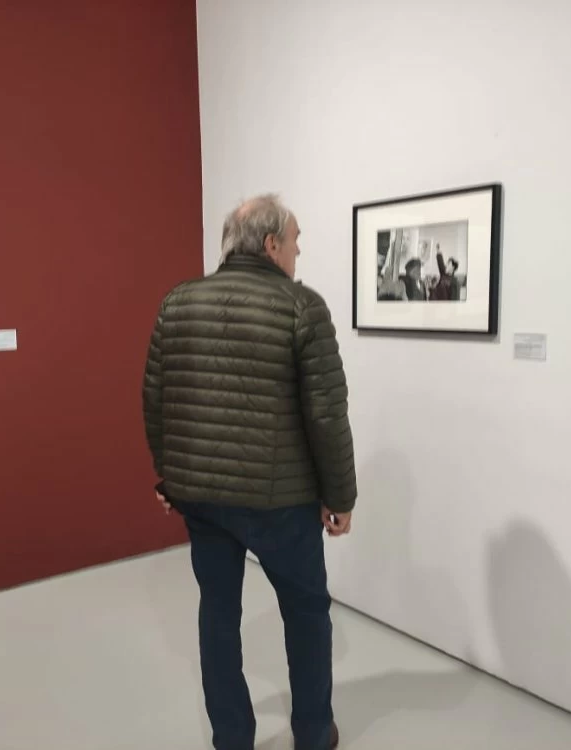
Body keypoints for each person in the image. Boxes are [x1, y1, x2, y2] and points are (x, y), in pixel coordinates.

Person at [142, 195, 357, 750]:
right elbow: (327, 415)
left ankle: (232, 738)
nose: (298, 251)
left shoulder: (177, 302)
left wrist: (170, 477)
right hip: (280, 503)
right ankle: (312, 733)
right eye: (295, 241)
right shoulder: (301, 307)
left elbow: (156, 399)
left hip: (204, 502)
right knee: (307, 614)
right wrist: (341, 497)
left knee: (218, 616)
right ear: (270, 245)